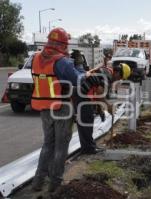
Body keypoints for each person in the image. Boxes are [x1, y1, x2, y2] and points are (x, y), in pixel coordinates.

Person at [31, 28, 90, 192]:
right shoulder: (62, 61)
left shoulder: (35, 58)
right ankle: (55, 184)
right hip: (62, 107)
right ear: (63, 44)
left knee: (47, 144)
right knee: (60, 146)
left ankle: (38, 182)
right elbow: (77, 80)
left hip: (44, 107)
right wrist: (81, 69)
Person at [72, 53, 131, 155]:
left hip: (82, 94)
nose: (119, 80)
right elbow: (99, 93)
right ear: (117, 72)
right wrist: (108, 106)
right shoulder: (107, 75)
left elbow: (97, 92)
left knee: (86, 121)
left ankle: (89, 147)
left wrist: (100, 110)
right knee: (86, 121)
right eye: (120, 78)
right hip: (82, 95)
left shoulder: (106, 72)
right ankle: (88, 149)